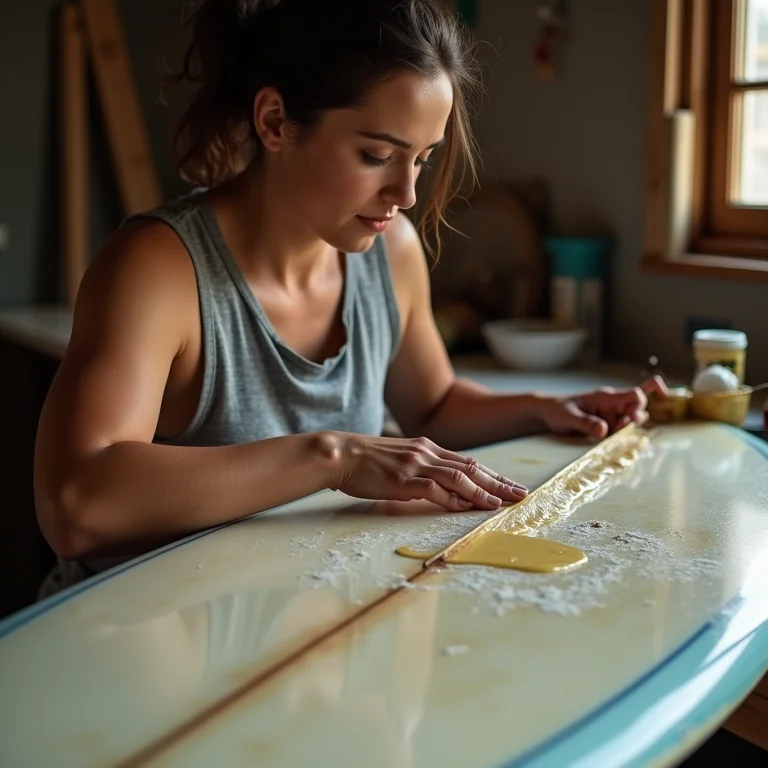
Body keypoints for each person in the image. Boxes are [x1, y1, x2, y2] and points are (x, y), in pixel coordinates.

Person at [34, 0, 665, 595]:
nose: (406, 193)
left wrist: (548, 408)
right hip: (128, 644)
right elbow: (77, 505)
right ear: (275, 122)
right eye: (377, 155)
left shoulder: (391, 254)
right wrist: (333, 455)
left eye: (421, 159)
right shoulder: (158, 268)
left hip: (290, 624)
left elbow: (434, 405)